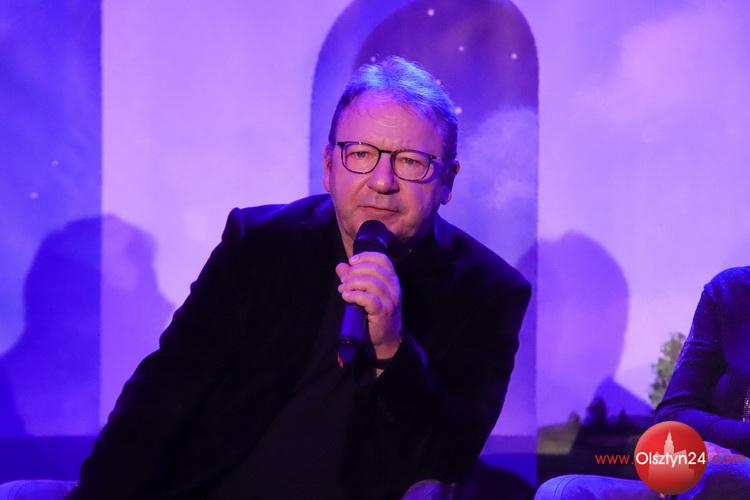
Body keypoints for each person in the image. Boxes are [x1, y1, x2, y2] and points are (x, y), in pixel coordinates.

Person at [69, 56, 531, 500]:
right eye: (361, 154)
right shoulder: (260, 244)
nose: (382, 181)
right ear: (329, 167)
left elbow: (447, 458)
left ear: (447, 181)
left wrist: (392, 348)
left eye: (411, 161)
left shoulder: (488, 292)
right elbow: (158, 401)